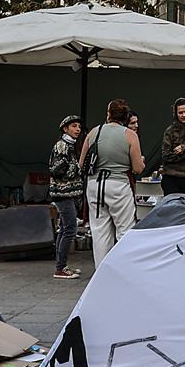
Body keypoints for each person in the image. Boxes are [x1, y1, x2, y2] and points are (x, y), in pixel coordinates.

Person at [81, 99, 143, 262]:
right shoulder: (130, 135)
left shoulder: (94, 132)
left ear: (108, 114)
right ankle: (124, 271)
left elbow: (82, 164)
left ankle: (101, 275)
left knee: (100, 232)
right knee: (124, 231)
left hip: (95, 186)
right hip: (119, 185)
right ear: (125, 116)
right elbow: (137, 168)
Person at [47, 115, 84, 279]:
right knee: (69, 229)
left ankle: (61, 265)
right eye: (74, 126)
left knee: (64, 229)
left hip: (66, 193)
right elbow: (56, 169)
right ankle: (60, 268)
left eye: (79, 126)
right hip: (63, 193)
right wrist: (75, 169)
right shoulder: (62, 146)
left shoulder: (69, 145)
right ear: (65, 128)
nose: (78, 129)